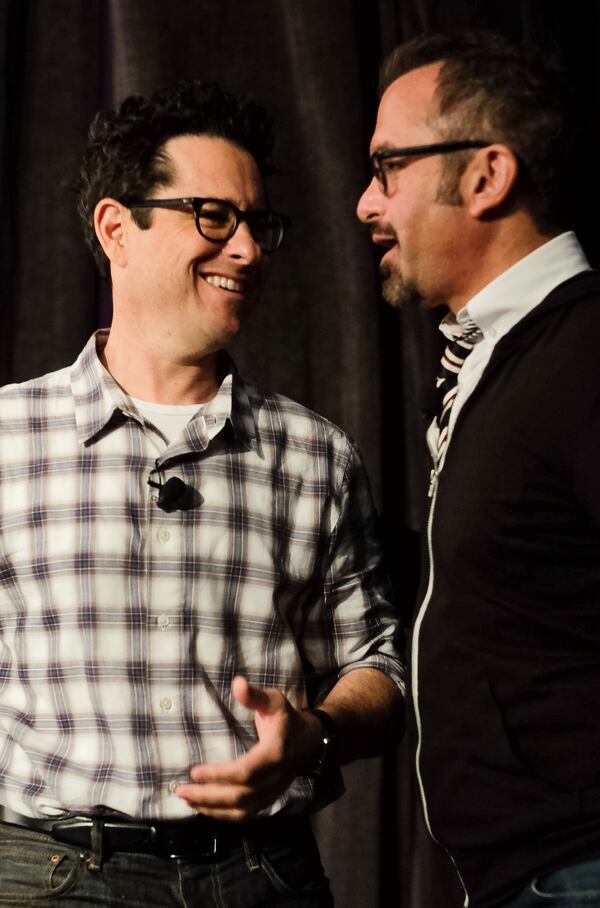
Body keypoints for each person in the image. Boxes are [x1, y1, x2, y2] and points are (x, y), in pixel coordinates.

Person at [0, 80, 404, 907]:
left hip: (263, 874)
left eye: (258, 223)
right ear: (118, 228)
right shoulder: (7, 436)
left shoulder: (315, 454)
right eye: (213, 216)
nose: (248, 250)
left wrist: (315, 735)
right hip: (51, 874)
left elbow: (381, 668)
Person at [357, 29, 600, 908]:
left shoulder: (581, 351)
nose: (363, 204)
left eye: (388, 167)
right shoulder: (502, 359)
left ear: (486, 176)